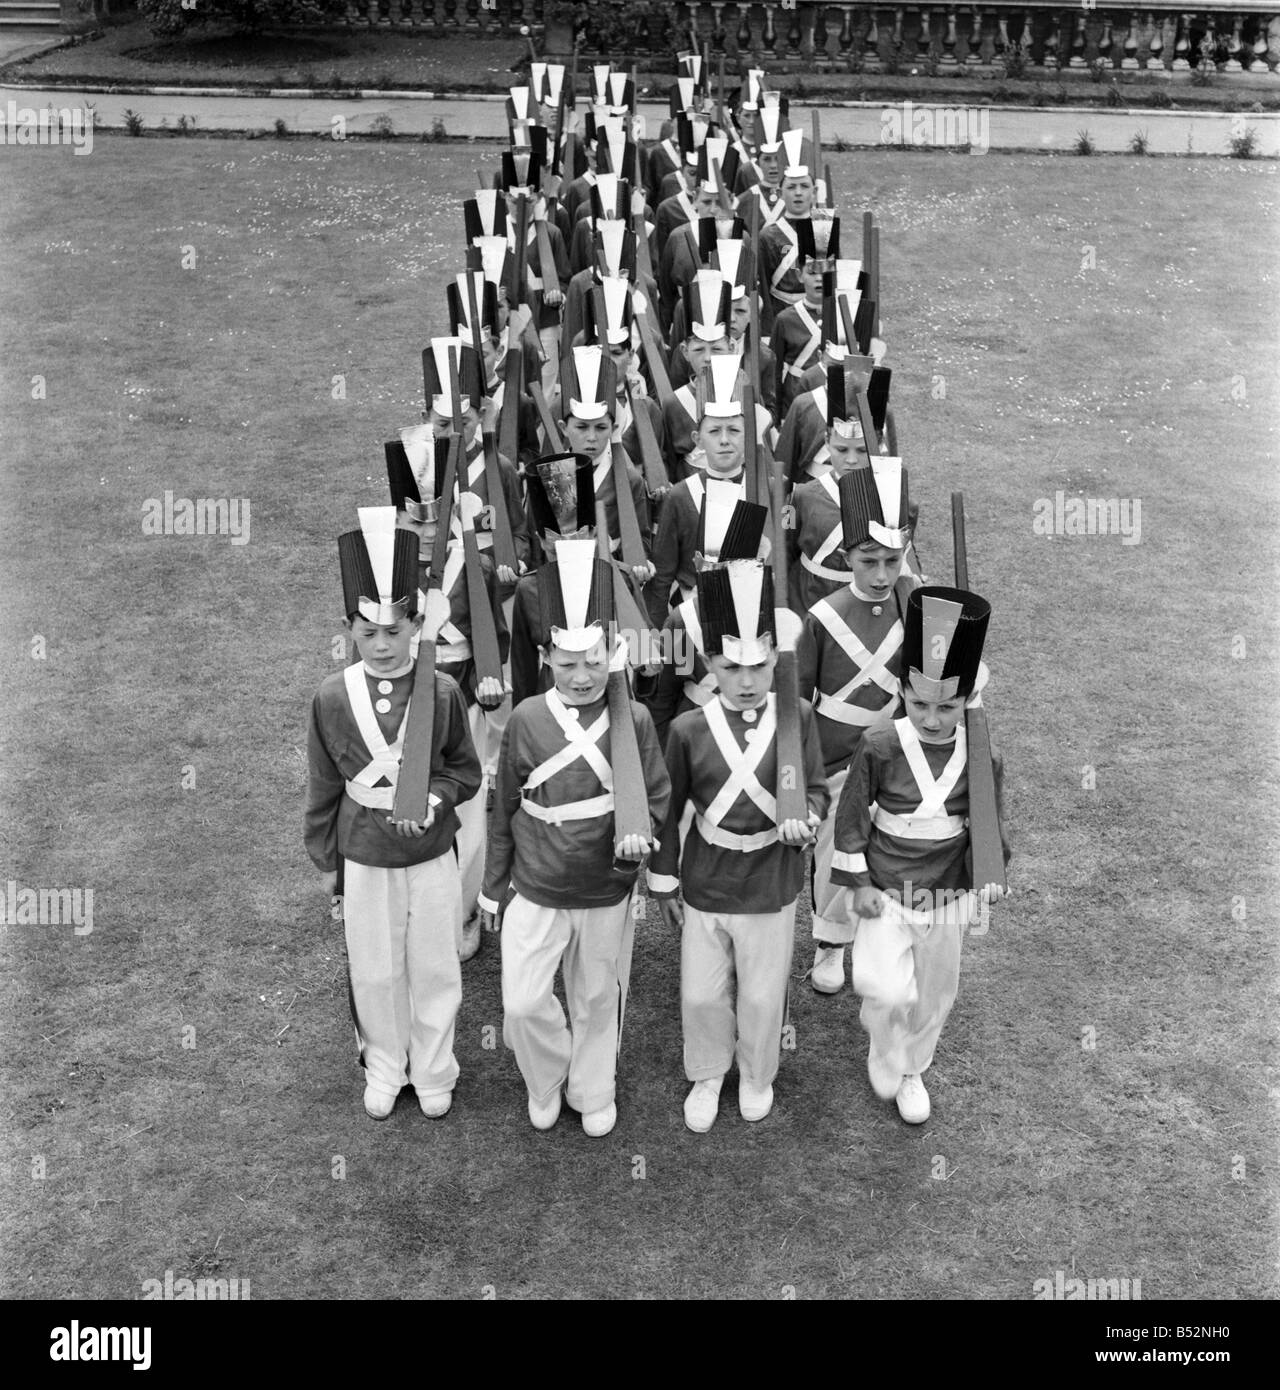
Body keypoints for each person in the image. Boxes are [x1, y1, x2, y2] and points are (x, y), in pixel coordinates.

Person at [480, 529, 671, 1137]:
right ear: (546, 662)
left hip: (603, 887)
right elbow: (504, 805)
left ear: (611, 652)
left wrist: (639, 846)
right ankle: (547, 1077)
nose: (583, 676)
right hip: (535, 885)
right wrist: (491, 887)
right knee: (521, 1002)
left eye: (594, 661)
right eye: (568, 664)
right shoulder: (528, 719)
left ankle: (593, 1088)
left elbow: (657, 796)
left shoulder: (633, 717)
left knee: (595, 997)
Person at [305, 509, 482, 1120]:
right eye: (367, 631)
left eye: (396, 630)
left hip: (431, 852)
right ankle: (385, 1063)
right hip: (364, 849)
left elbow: (464, 770)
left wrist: (433, 802)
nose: (382, 646)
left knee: (433, 964)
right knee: (375, 969)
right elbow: (324, 785)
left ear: (416, 625)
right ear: (348, 627)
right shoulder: (331, 696)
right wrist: (328, 861)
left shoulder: (444, 691)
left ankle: (435, 1068)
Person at [649, 559, 829, 1131]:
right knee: (702, 993)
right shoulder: (687, 730)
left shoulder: (797, 715)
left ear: (775, 658)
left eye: (758, 665)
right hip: (707, 876)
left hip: (772, 880)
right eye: (730, 667)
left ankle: (756, 1075)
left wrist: (811, 817)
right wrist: (665, 877)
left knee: (761, 995)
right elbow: (669, 808)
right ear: (709, 665)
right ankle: (706, 1072)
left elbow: (818, 788)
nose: (747, 681)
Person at [829, 586, 1010, 1123]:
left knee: (934, 995)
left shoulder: (984, 756)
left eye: (947, 706)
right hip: (885, 890)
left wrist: (992, 873)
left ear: (967, 702)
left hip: (947, 895)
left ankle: (912, 1069)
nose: (932, 719)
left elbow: (989, 820)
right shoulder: (880, 744)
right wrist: (858, 883)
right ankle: (882, 1041)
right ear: (904, 690)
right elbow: (852, 816)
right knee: (880, 986)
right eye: (921, 703)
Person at [798, 461, 918, 995]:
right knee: (834, 849)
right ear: (848, 556)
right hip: (835, 756)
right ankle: (829, 942)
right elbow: (799, 703)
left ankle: (883, 939)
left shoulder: (916, 604)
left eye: (893, 561)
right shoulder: (822, 618)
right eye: (869, 561)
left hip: (896, 752)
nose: (880, 576)